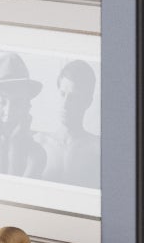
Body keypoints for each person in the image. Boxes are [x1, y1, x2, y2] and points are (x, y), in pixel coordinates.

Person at [0, 55, 45, 176]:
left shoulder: (36, 154)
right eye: (2, 102)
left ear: (27, 107)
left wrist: (16, 143)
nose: (9, 111)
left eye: (18, 103)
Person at [40, 58, 101, 187]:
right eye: (62, 94)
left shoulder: (98, 149)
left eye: (74, 98)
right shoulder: (39, 143)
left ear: (88, 102)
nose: (65, 105)